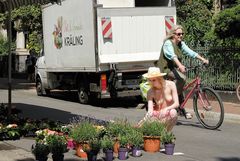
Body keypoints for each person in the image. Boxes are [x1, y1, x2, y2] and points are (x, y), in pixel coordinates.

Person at [156, 25, 209, 119]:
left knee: (181, 85)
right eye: (178, 34)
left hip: (172, 68)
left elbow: (190, 52)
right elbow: (172, 56)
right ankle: (172, 100)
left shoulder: (180, 44)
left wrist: (202, 59)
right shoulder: (168, 43)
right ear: (173, 35)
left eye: (182, 34)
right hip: (164, 69)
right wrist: (180, 65)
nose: (181, 35)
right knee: (182, 78)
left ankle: (180, 108)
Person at [137, 67, 179, 131]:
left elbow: (176, 104)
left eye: (154, 80)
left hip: (168, 114)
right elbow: (150, 111)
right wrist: (143, 120)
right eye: (150, 80)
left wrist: (167, 108)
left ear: (160, 79)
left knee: (173, 112)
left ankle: (167, 133)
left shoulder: (171, 85)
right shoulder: (150, 92)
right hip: (156, 116)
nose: (151, 82)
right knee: (148, 120)